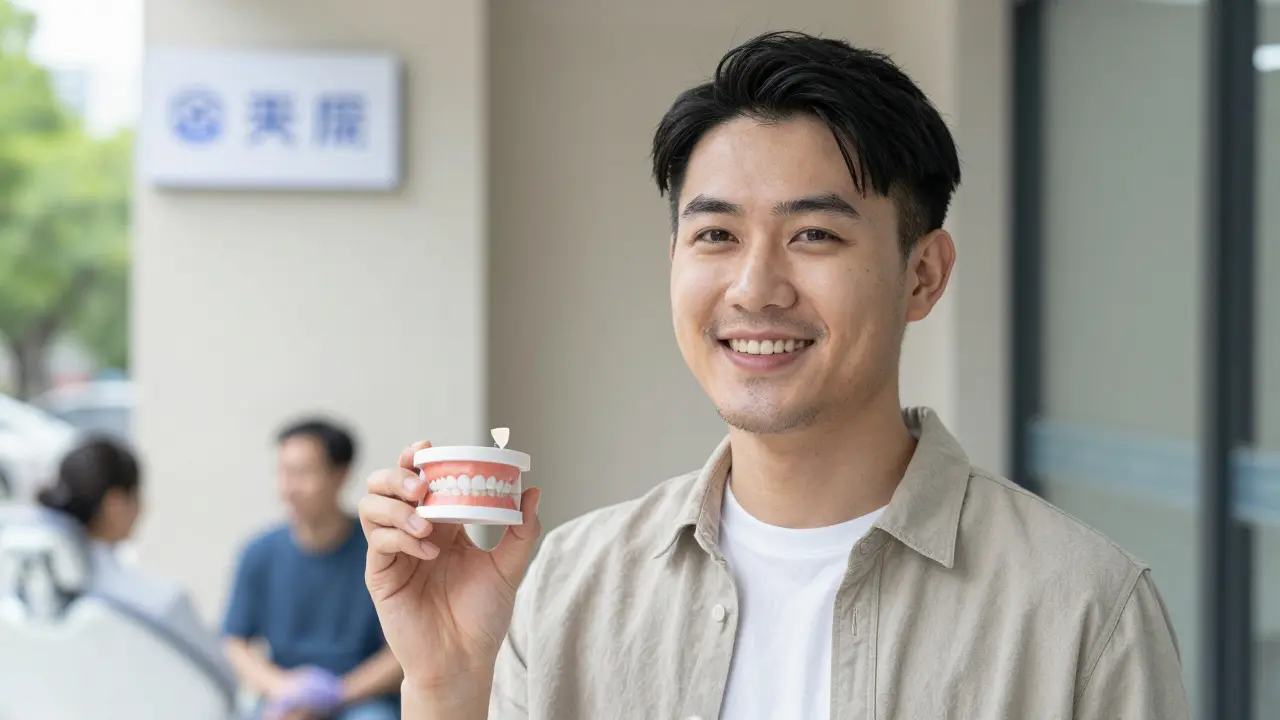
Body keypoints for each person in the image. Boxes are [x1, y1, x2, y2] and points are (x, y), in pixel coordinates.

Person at [357, 31, 1192, 719]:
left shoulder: (1084, 610)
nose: (755, 288)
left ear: (924, 276)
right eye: (716, 235)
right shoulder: (572, 585)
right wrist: (447, 683)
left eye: (815, 236)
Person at [223, 419, 401, 720]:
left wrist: (337, 694)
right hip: (285, 698)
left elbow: (402, 651)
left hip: (361, 698)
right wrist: (282, 689)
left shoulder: (379, 550)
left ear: (340, 474)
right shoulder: (259, 552)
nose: (289, 487)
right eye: (283, 472)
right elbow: (234, 642)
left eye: (303, 473)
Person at [35, 437, 236, 692]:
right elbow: (220, 684)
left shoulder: (24, 605)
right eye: (137, 496)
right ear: (115, 504)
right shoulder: (160, 604)